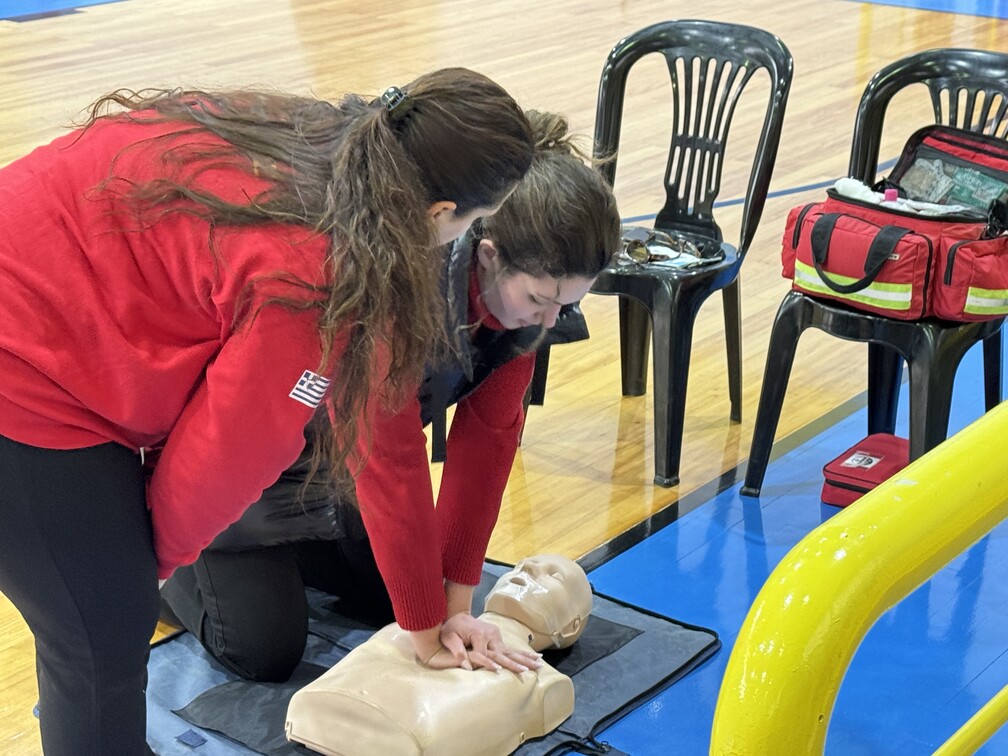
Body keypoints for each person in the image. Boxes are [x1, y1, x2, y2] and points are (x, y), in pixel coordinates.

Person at [0, 68, 535, 755]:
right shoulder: (316, 273)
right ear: (438, 215)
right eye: (472, 223)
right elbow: (228, 452)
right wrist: (150, 565)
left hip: (50, 294)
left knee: (111, 604)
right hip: (25, 360)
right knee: (101, 637)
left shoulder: (329, 135)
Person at [160, 110, 622, 683]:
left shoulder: (526, 309)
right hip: (241, 477)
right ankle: (161, 562)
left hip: (328, 467)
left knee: (405, 603)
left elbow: (486, 453)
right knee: (264, 649)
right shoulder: (398, 286)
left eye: (567, 305)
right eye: (541, 299)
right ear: (488, 255)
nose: (550, 320)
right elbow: (389, 455)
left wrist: (453, 612)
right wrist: (431, 641)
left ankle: (296, 554)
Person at [285, 554, 593, 756]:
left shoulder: (544, 680)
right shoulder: (414, 625)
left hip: (396, 739)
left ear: (571, 627)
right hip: (319, 706)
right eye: (523, 566)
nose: (528, 571)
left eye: (552, 577)